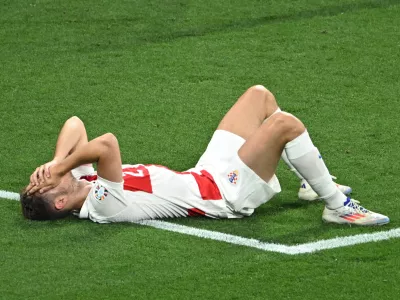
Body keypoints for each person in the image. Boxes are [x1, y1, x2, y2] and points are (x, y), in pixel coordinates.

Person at [21, 85, 389, 225]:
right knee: (284, 126)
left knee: (258, 96)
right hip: (225, 196)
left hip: (207, 173)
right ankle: (337, 206)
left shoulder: (80, 180)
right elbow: (107, 144)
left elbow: (74, 124)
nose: (49, 179)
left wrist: (56, 163)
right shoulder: (101, 205)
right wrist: (62, 167)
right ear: (60, 204)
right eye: (47, 185)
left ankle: (311, 182)